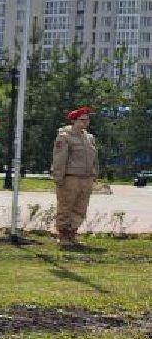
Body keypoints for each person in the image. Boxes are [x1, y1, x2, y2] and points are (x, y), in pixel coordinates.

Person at [51, 106, 100, 247]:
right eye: (82, 120)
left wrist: (94, 173)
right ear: (73, 121)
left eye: (87, 120)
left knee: (80, 208)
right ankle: (63, 235)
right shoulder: (65, 136)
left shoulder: (89, 138)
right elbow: (60, 158)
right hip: (70, 177)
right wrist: (58, 176)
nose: (85, 122)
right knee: (66, 206)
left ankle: (72, 234)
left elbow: (94, 158)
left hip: (86, 178)